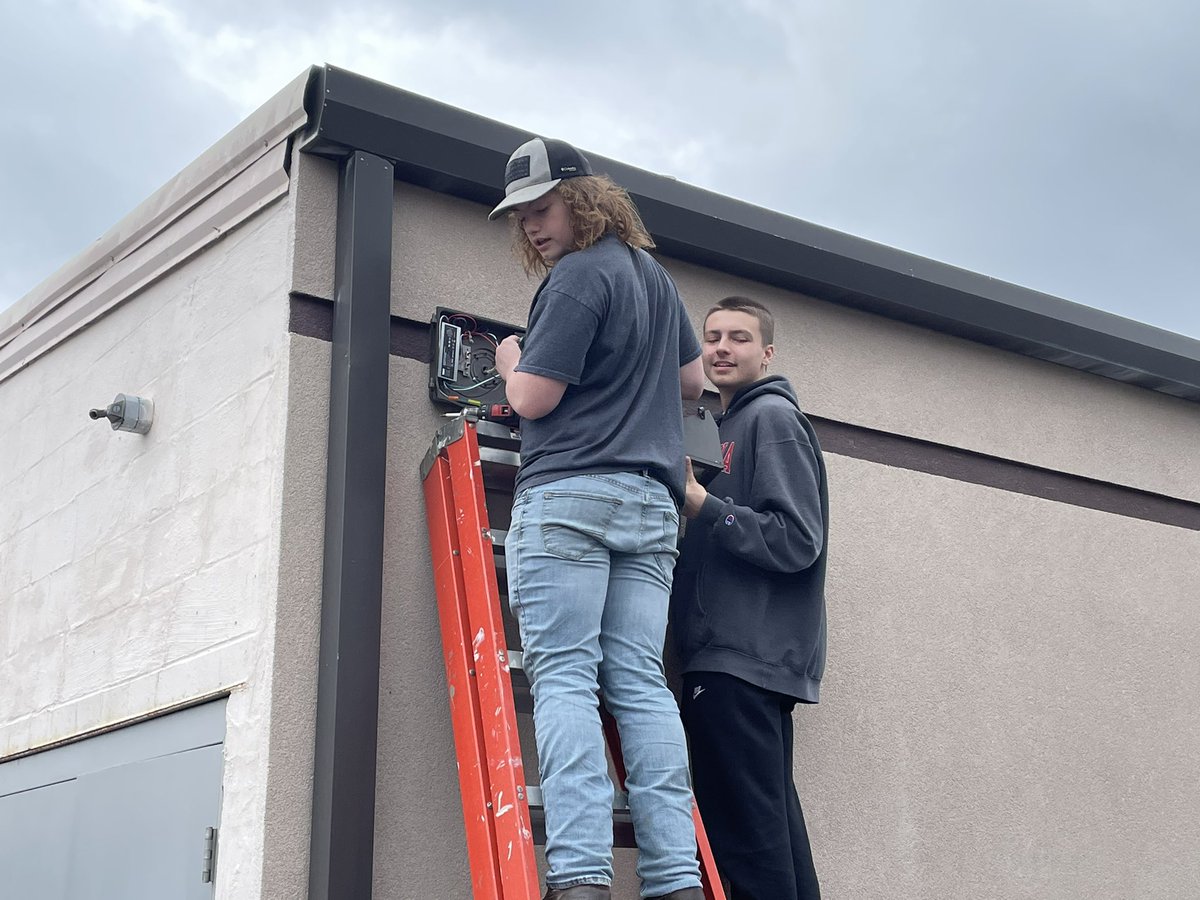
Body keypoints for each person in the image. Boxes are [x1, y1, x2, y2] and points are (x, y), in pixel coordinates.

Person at [490, 136, 706, 900]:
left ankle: (580, 877)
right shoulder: (653, 276)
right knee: (642, 685)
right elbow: (690, 380)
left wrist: (513, 358)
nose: (532, 228)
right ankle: (675, 879)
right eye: (520, 217)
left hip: (570, 497)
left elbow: (532, 401)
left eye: (541, 209)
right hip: (650, 506)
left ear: (583, 199)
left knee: (565, 680)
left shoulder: (578, 277)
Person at [670, 296, 829, 900]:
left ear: (766, 353)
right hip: (737, 659)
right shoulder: (721, 429)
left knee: (747, 850)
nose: (720, 348)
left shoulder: (773, 422)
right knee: (772, 844)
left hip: (739, 659)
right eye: (712, 337)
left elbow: (797, 540)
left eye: (739, 337)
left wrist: (703, 506)